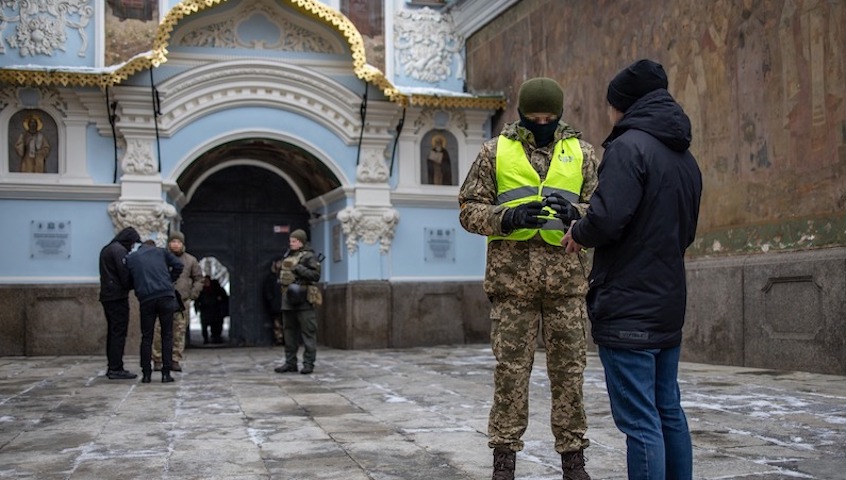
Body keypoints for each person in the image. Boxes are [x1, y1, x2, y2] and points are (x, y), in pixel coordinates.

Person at [560, 59, 703, 480]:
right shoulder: (685, 158)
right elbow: (686, 231)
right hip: (667, 300)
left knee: (640, 422)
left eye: (612, 106)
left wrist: (579, 232)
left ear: (624, 105)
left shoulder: (628, 147)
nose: (611, 114)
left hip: (627, 302)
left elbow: (607, 217)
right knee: (668, 410)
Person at [458, 77, 599, 480]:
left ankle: (574, 462)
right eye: (533, 117)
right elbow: (469, 209)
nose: (541, 123)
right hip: (512, 286)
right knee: (510, 375)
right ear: (520, 114)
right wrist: (507, 218)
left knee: (570, 374)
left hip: (567, 285)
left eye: (549, 118)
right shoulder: (494, 153)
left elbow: (606, 209)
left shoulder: (583, 154)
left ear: (559, 115)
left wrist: (577, 214)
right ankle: (504, 461)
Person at [125, 239, 184, 383]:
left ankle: (146, 374)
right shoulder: (161, 252)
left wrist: (139, 286)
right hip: (165, 296)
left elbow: (127, 277)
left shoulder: (132, 257)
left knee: (147, 337)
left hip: (146, 298)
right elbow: (178, 265)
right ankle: (166, 374)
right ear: (154, 245)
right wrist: (169, 280)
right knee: (167, 335)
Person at [273, 229, 322, 375]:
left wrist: (298, 268)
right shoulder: (288, 255)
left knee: (308, 333)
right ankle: (290, 363)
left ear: (301, 242)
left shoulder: (309, 256)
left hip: (303, 300)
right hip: (288, 299)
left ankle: (308, 364)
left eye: (294, 241)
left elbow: (315, 275)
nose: (291, 243)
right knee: (289, 333)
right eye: (290, 241)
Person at [152, 232, 203, 372]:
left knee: (179, 332)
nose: (175, 244)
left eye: (178, 242)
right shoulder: (161, 258)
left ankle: (175, 359)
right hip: (162, 299)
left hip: (181, 302)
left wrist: (193, 294)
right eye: (173, 241)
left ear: (182, 244)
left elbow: (199, 278)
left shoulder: (190, 260)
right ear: (168, 243)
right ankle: (157, 359)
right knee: (158, 330)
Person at [98, 226, 141, 380]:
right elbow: (124, 275)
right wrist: (134, 283)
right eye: (133, 242)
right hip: (117, 297)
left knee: (113, 332)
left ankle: (113, 366)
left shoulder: (107, 248)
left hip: (107, 295)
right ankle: (116, 368)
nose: (133, 246)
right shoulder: (119, 251)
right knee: (118, 333)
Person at [195, 276, 228, 344]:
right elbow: (197, 300)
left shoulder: (216, 289)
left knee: (216, 326)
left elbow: (225, 299)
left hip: (215, 311)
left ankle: (216, 338)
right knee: (204, 326)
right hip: (205, 310)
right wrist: (197, 307)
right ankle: (206, 339)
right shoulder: (201, 290)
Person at [263, 258, 285, 346]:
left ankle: (286, 339)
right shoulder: (271, 278)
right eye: (278, 263)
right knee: (277, 323)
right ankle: (278, 339)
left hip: (287, 304)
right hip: (275, 305)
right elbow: (267, 291)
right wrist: (271, 300)